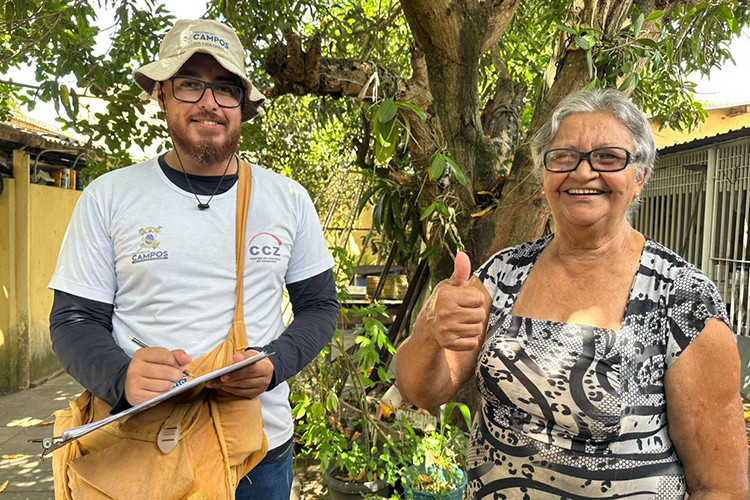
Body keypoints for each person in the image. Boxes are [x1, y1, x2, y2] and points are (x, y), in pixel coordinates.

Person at [396, 89, 748, 499]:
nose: (583, 173)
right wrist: (429, 331)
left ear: (639, 178)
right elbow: (423, 391)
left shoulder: (682, 299)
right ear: (544, 174)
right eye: (563, 157)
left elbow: (720, 486)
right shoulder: (503, 273)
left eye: (608, 158)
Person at [48, 19, 338, 500]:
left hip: (258, 453)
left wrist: (274, 363)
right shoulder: (109, 196)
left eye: (226, 88)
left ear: (242, 105)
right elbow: (74, 319)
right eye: (190, 84)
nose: (209, 101)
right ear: (162, 94)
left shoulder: (287, 199)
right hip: (141, 445)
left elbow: (321, 306)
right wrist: (121, 377)